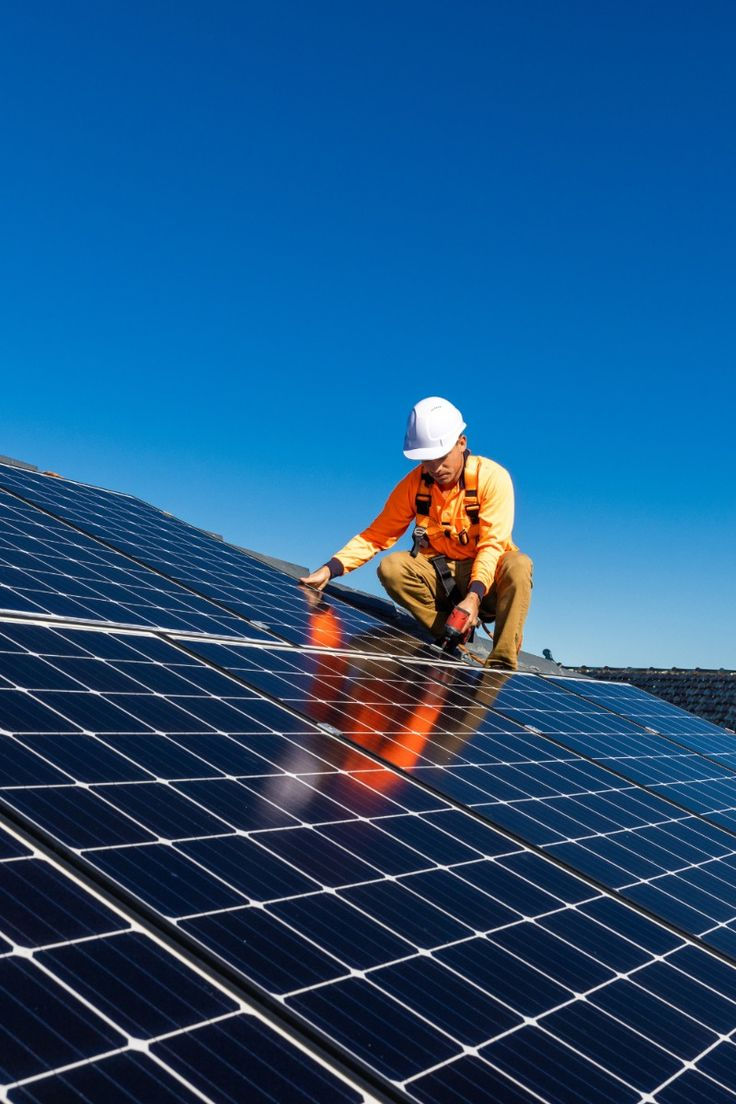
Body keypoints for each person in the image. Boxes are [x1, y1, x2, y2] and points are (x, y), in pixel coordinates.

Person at [300, 396, 533, 670]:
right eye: (427, 460)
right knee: (392, 567)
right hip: (441, 578)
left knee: (519, 565)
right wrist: (330, 569)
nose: (435, 468)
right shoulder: (415, 484)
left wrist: (474, 596)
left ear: (462, 443)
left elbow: (492, 545)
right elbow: (377, 534)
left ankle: (501, 665)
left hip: (487, 583)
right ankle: (449, 634)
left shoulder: (492, 478)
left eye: (441, 457)